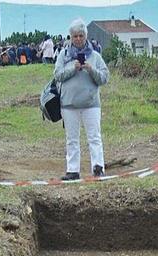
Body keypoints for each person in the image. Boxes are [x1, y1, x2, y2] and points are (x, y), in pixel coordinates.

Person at [54, 18, 110, 181]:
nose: (78, 39)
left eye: (81, 35)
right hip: (69, 104)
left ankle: (98, 167)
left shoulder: (95, 56)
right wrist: (73, 68)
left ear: (86, 36)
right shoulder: (63, 56)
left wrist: (91, 69)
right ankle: (72, 170)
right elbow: (57, 75)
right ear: (70, 37)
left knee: (94, 137)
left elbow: (105, 78)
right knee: (72, 139)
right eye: (75, 36)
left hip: (91, 104)